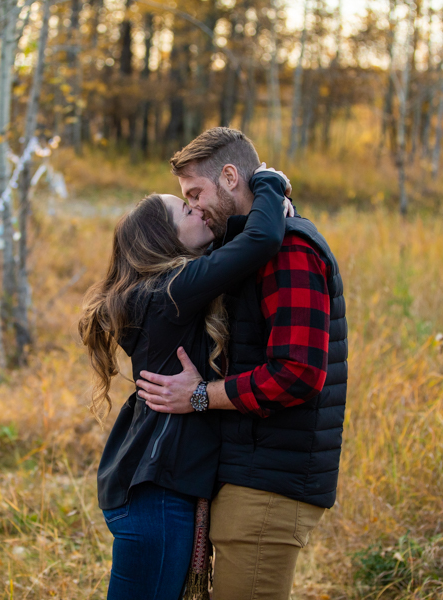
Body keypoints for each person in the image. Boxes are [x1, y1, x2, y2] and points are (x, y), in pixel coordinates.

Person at [136, 127, 348, 600]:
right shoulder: (250, 249)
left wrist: (198, 396)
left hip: (268, 482)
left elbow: (297, 373)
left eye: (195, 193)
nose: (192, 207)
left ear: (230, 177)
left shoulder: (290, 251)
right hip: (250, 471)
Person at [79, 168, 292, 600]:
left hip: (151, 494)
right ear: (164, 239)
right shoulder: (170, 292)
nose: (198, 209)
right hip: (156, 500)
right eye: (185, 208)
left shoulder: (158, 292)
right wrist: (270, 183)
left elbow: (245, 245)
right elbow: (262, 242)